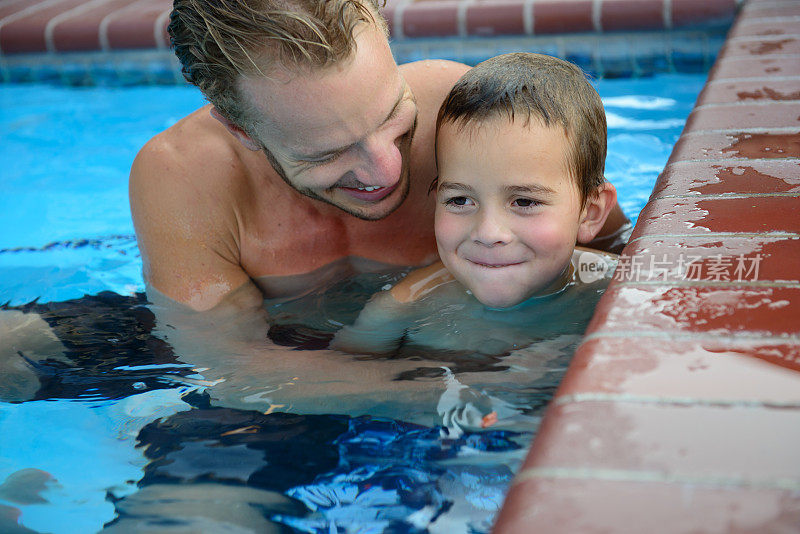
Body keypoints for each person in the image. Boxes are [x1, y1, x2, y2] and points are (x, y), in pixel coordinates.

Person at [129, 0, 630, 315]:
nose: (387, 170)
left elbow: (614, 243)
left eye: (394, 114)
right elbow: (237, 370)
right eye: (327, 152)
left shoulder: (465, 117)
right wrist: (461, 390)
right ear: (241, 129)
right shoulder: (183, 177)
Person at [333, 53, 619, 357]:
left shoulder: (620, 286)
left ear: (591, 213)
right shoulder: (403, 306)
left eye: (524, 201)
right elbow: (343, 375)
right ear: (436, 202)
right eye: (460, 200)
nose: (488, 232)